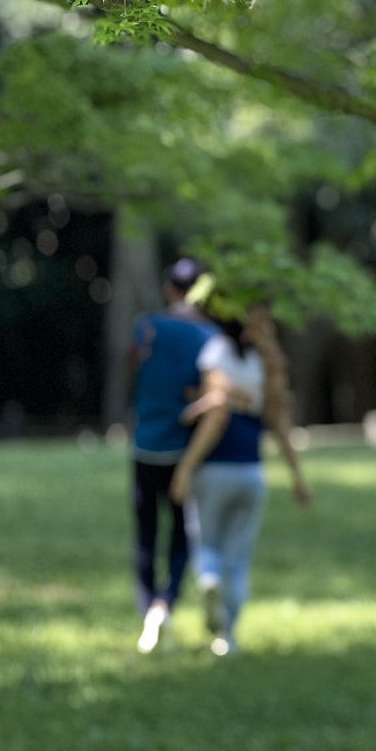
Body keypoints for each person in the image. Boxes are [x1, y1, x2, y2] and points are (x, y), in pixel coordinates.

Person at [169, 303, 310, 656]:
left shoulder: (216, 351)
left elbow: (216, 411)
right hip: (252, 471)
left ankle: (208, 578)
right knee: (238, 557)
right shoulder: (266, 365)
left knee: (206, 543)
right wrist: (297, 477)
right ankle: (227, 637)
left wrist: (185, 467)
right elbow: (280, 422)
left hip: (213, 467)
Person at [126, 258, 216, 653]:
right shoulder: (209, 336)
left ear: (168, 289)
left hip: (144, 445)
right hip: (183, 450)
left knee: (145, 533)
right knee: (181, 535)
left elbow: (135, 367)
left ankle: (148, 607)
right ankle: (165, 603)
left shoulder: (145, 327)